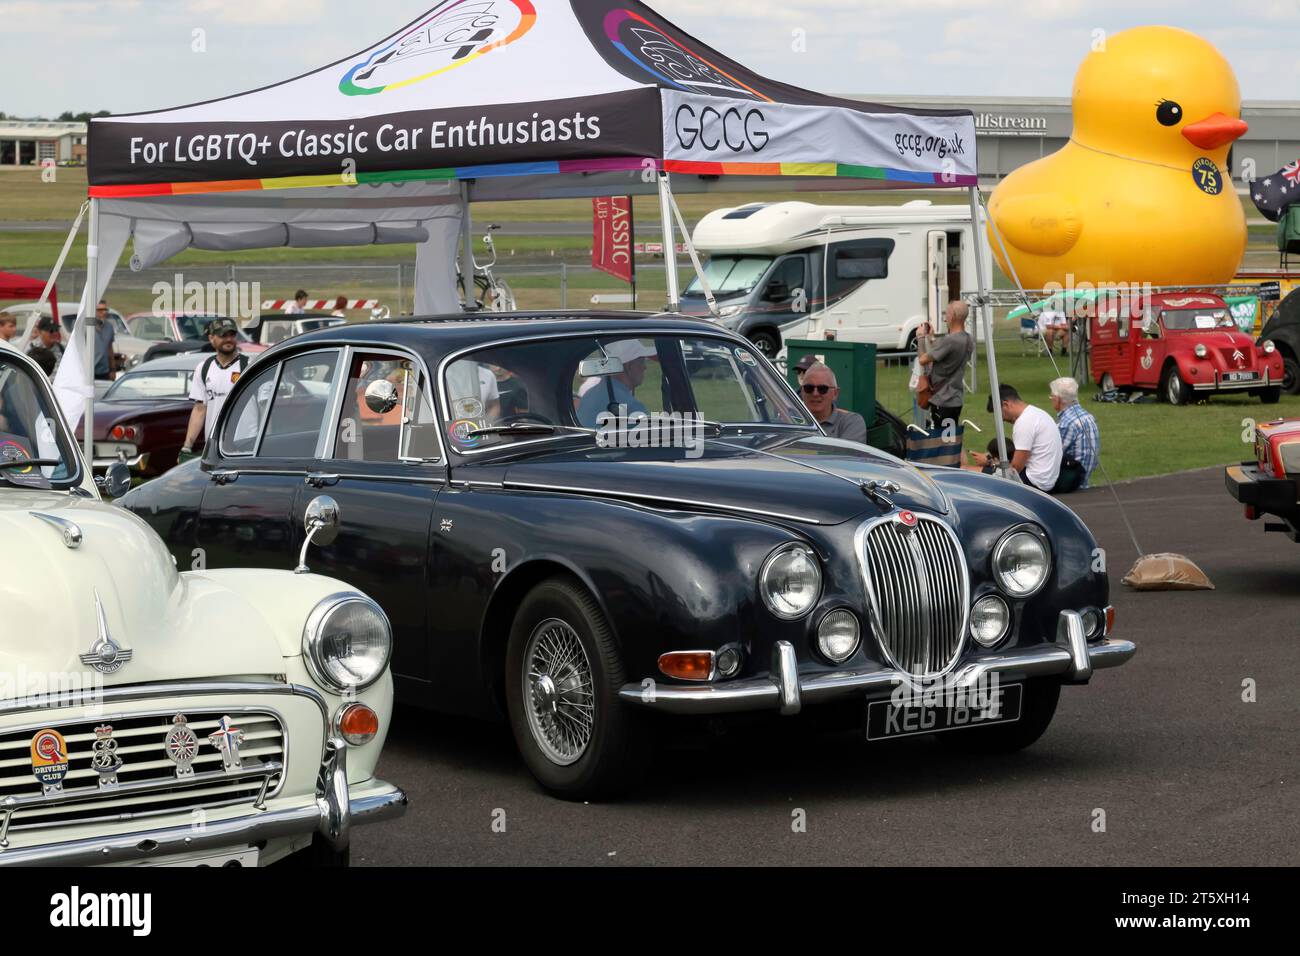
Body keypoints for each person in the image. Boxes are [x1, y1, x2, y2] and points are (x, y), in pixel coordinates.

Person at [968, 384, 1062, 492]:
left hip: (1034, 483)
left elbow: (1014, 469)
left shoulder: (1024, 422)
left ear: (1005, 405)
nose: (1002, 419)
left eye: (1000, 414)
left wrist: (990, 462)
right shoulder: (1038, 413)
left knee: (969, 471)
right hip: (1046, 480)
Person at [180, 318, 248, 463]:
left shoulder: (248, 365)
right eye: (223, 335)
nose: (228, 339)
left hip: (246, 446)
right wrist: (187, 446)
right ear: (211, 338)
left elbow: (265, 407)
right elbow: (199, 409)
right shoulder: (204, 368)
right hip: (214, 447)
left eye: (232, 335)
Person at [916, 301, 974, 432]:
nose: (945, 318)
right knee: (951, 440)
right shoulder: (969, 339)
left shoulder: (950, 340)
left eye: (946, 313)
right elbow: (945, 356)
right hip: (955, 399)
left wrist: (920, 338)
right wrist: (931, 338)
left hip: (942, 401)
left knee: (942, 443)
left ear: (952, 315)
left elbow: (923, 359)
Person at [576, 339, 656, 428]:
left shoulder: (590, 394)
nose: (645, 367)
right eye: (641, 361)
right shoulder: (631, 407)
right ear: (629, 366)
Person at [1050, 376, 1100, 490]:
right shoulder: (1088, 416)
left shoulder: (1067, 423)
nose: (1051, 399)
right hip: (1085, 475)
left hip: (1072, 480)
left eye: (1051, 396)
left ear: (1057, 399)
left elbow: (1052, 454)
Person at [800, 362, 867, 443]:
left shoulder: (851, 422)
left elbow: (845, 454)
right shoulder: (788, 420)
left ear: (835, 393)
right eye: (809, 388)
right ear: (802, 391)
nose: (815, 393)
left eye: (822, 389)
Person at [93, 301, 117, 381]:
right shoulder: (88, 326)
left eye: (105, 309)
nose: (104, 312)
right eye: (100, 310)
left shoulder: (109, 326)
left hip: (104, 371)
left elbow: (110, 349)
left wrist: (113, 369)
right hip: (90, 371)